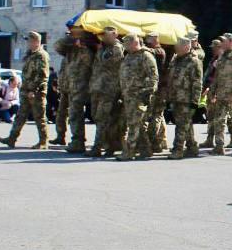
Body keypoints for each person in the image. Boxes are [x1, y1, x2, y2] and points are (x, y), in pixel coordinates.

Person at [0, 31, 51, 150]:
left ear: (37, 42)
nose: (28, 43)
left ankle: (43, 141)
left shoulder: (41, 55)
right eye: (28, 41)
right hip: (26, 91)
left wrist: (34, 90)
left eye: (30, 41)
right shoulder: (30, 54)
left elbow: (42, 75)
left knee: (39, 117)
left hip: (36, 92)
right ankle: (11, 138)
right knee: (20, 116)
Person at [53, 29, 95, 152]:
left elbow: (90, 65)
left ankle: (78, 142)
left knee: (76, 115)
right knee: (71, 115)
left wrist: (81, 45)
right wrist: (70, 39)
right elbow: (57, 46)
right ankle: (75, 140)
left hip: (81, 87)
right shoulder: (69, 51)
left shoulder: (85, 51)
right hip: (69, 87)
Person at [117, 33, 158, 160]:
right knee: (137, 124)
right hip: (128, 95)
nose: (125, 46)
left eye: (127, 43)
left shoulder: (146, 56)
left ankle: (129, 152)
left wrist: (146, 94)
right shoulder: (129, 56)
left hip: (139, 96)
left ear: (135, 43)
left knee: (134, 124)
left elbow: (153, 77)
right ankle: (146, 150)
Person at [87, 26, 125, 158]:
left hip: (109, 89)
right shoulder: (103, 48)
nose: (103, 37)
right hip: (98, 88)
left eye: (106, 35)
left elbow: (106, 63)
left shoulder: (116, 48)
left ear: (115, 34)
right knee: (98, 117)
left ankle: (99, 147)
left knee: (104, 118)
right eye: (102, 35)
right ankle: (110, 145)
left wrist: (99, 47)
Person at [165, 36, 203, 159]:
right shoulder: (176, 59)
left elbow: (197, 83)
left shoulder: (194, 61)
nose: (176, 48)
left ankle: (178, 149)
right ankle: (192, 147)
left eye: (178, 46)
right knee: (185, 123)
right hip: (176, 97)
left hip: (186, 99)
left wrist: (194, 102)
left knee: (181, 125)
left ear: (187, 46)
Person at [142, 31, 171, 153]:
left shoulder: (159, 51)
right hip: (156, 88)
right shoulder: (151, 50)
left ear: (155, 39)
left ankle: (154, 142)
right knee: (158, 115)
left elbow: (151, 53)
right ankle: (161, 141)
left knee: (155, 116)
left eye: (149, 38)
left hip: (159, 89)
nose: (146, 40)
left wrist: (140, 46)